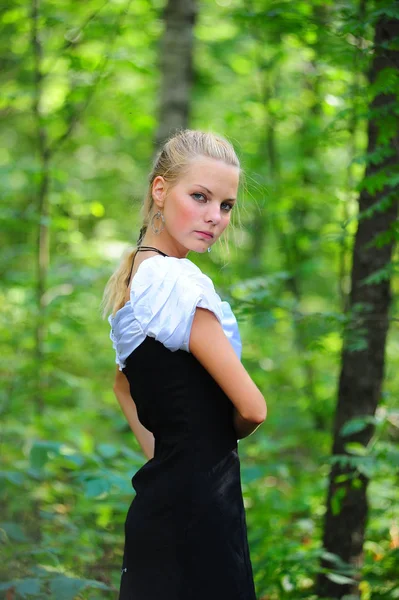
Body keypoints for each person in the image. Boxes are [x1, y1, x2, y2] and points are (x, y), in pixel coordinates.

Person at [101, 129, 267, 600]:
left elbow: (122, 386)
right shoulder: (175, 282)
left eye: (226, 205)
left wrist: (167, 456)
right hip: (202, 506)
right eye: (200, 197)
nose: (214, 217)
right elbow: (253, 408)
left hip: (161, 501)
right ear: (160, 190)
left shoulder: (136, 278)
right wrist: (211, 439)